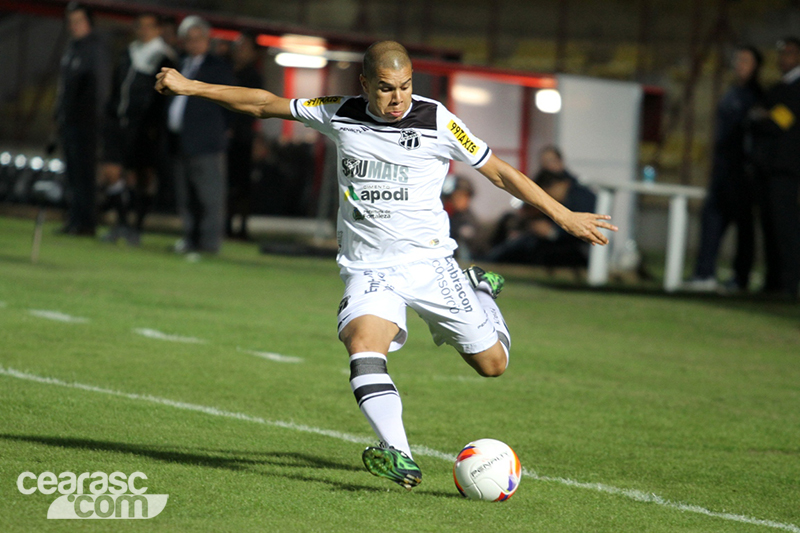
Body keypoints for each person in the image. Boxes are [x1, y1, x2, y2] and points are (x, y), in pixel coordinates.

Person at [155, 40, 616, 489]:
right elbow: (263, 104)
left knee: (493, 364)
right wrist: (191, 86)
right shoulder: (339, 111)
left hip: (430, 264)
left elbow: (499, 172)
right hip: (369, 269)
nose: (398, 98)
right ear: (364, 84)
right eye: (386, 88)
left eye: (405, 86)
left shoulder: (437, 120)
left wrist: (563, 215)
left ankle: (478, 289)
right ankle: (400, 454)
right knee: (362, 345)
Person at [686, 46, 763, 292]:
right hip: (722, 169)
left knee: (743, 226)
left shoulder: (757, 96)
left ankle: (740, 278)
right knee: (711, 220)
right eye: (738, 60)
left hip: (742, 171)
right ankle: (704, 273)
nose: (739, 65)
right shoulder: (732, 92)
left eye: (746, 61)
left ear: (756, 66)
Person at [100, 12, 176, 245]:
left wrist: (154, 126)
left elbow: (165, 97)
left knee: (141, 178)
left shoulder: (164, 57)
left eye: (148, 26)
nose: (142, 30)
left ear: (158, 29)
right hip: (118, 122)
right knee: (111, 172)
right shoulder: (128, 52)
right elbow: (117, 86)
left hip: (143, 127)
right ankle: (122, 222)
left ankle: (136, 227)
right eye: (139, 25)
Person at [166, 16, 233, 256]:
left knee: (209, 197)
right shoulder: (180, 64)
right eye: (189, 39)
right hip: (180, 141)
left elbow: (231, 103)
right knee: (186, 197)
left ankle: (209, 244)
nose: (193, 43)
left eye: (198, 38)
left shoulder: (218, 67)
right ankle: (190, 239)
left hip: (207, 143)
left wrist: (220, 132)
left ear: (207, 40)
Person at [54, 2, 110, 236]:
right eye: (71, 21)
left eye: (78, 21)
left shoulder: (94, 48)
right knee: (73, 174)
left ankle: (86, 222)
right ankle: (75, 219)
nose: (73, 26)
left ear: (89, 23)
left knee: (85, 174)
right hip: (70, 122)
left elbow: (99, 89)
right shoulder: (73, 47)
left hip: (86, 123)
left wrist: (94, 121)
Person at [752, 37, 800, 300]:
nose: (783, 58)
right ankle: (773, 280)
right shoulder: (779, 87)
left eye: (789, 53)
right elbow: (759, 115)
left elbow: (779, 121)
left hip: (786, 169)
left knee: (785, 228)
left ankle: (789, 283)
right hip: (769, 168)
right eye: (781, 53)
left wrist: (765, 116)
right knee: (769, 227)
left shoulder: (796, 88)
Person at [486, 169, 597, 267]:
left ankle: (489, 261)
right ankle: (490, 260)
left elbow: (581, 230)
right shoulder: (571, 198)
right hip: (568, 247)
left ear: (561, 184)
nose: (549, 197)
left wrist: (553, 232)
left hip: (580, 250)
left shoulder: (580, 198)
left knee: (528, 245)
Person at [225, 33, 263, 240]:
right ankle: (226, 225)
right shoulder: (227, 71)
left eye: (244, 47)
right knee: (227, 184)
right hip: (226, 139)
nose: (239, 51)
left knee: (242, 185)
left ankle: (241, 227)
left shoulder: (253, 77)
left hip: (242, 139)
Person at [443, 175, 481, 260]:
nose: (457, 199)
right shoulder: (445, 216)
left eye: (461, 195)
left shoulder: (468, 220)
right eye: (454, 196)